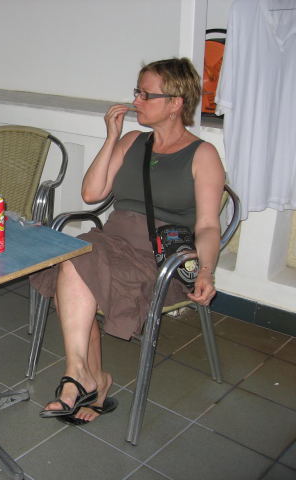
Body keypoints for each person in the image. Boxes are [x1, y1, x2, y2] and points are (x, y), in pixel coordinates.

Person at [33, 58, 225, 424]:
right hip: (113, 243)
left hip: (159, 260)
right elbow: (91, 194)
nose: (136, 101)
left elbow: (207, 226)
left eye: (146, 95)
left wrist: (206, 270)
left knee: (77, 264)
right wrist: (111, 137)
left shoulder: (203, 155)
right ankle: (85, 377)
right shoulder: (133, 141)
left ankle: (83, 380)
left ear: (175, 103)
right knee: (75, 258)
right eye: (137, 92)